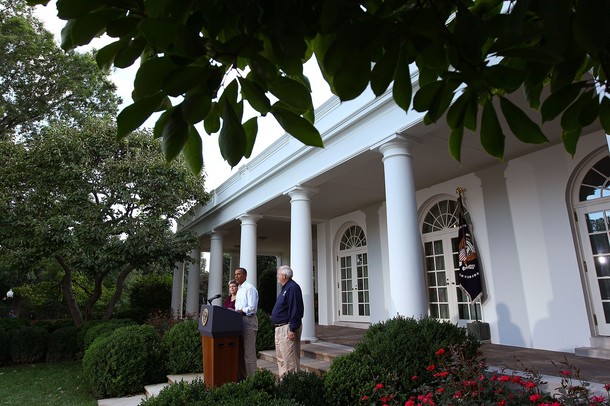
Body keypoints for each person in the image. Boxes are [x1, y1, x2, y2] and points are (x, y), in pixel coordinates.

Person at [271, 265, 304, 378]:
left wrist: (292, 328)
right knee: (281, 358)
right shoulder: (285, 288)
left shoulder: (293, 287)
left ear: (284, 276)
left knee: (290, 360)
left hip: (287, 327)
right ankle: (284, 381)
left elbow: (295, 309)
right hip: (279, 328)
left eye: (278, 274)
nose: (277, 276)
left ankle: (292, 382)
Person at [233, 267, 259, 380]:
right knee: (240, 352)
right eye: (235, 274)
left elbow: (252, 308)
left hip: (248, 320)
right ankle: (243, 379)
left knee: (249, 353)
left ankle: (252, 380)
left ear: (245, 276)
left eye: (239, 274)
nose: (236, 276)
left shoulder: (250, 289)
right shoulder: (239, 289)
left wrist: (241, 310)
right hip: (238, 321)